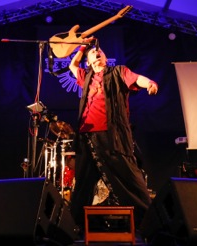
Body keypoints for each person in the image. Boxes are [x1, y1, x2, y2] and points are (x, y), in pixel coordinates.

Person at [67, 38, 158, 229]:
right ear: (88, 61)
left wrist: (149, 82)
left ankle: (150, 224)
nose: (97, 52)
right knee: (83, 183)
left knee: (129, 177)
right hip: (86, 136)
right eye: (93, 52)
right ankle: (74, 227)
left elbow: (137, 78)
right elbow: (72, 65)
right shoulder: (86, 76)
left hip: (111, 135)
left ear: (106, 58)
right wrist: (82, 47)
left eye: (100, 51)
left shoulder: (118, 72)